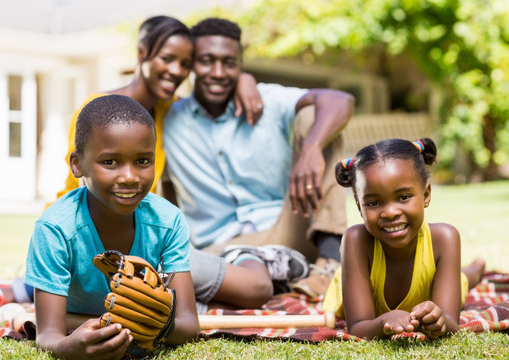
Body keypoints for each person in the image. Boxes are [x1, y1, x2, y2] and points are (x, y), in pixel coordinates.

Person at [51, 15, 306, 312]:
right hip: (93, 242)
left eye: (185, 64)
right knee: (253, 287)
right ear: (141, 53)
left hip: (141, 240)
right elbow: (86, 194)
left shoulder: (166, 111)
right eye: (167, 58)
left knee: (243, 286)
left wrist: (245, 81)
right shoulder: (99, 113)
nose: (176, 71)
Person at [162, 18, 355, 298]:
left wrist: (311, 148)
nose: (218, 72)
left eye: (229, 63)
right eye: (207, 61)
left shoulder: (266, 99)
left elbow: (339, 100)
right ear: (191, 63)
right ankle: (286, 278)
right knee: (182, 272)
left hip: (286, 229)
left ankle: (330, 261)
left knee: (316, 116)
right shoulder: (168, 119)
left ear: (240, 64)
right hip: (220, 248)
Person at [25, 95, 199, 359]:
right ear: (77, 164)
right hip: (72, 296)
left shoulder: (168, 220)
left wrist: (160, 325)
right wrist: (66, 347)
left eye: (143, 161)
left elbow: (189, 325)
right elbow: (48, 335)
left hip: (178, 268)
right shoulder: (55, 228)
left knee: (254, 288)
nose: (129, 177)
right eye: (110, 162)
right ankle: (22, 289)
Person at [322, 137, 486, 340]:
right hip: (348, 281)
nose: (390, 212)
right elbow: (357, 326)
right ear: (359, 206)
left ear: (426, 194)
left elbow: (450, 322)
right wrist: (384, 321)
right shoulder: (356, 240)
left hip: (439, 279)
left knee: (462, 280)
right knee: (458, 278)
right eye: (373, 203)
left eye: (403, 197)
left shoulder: (445, 239)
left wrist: (438, 320)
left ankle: (476, 269)